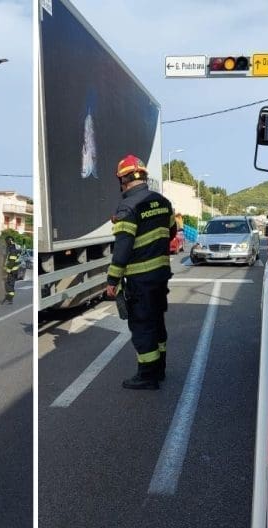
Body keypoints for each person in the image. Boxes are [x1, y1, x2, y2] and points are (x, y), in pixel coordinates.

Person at [105, 154, 176, 390]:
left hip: (140, 279)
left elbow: (122, 250)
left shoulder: (127, 207)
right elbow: (171, 231)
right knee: (157, 322)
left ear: (123, 180)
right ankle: (160, 369)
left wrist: (112, 281)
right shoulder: (163, 202)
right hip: (160, 276)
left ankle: (147, 376)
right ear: (144, 176)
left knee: (142, 326)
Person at [1, 237, 20, 305]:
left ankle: (9, 297)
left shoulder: (12, 250)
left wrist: (7, 271)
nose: (6, 243)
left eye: (6, 242)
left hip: (12, 271)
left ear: (9, 241)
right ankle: (10, 299)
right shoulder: (12, 248)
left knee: (8, 285)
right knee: (10, 285)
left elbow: (11, 262)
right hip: (13, 271)